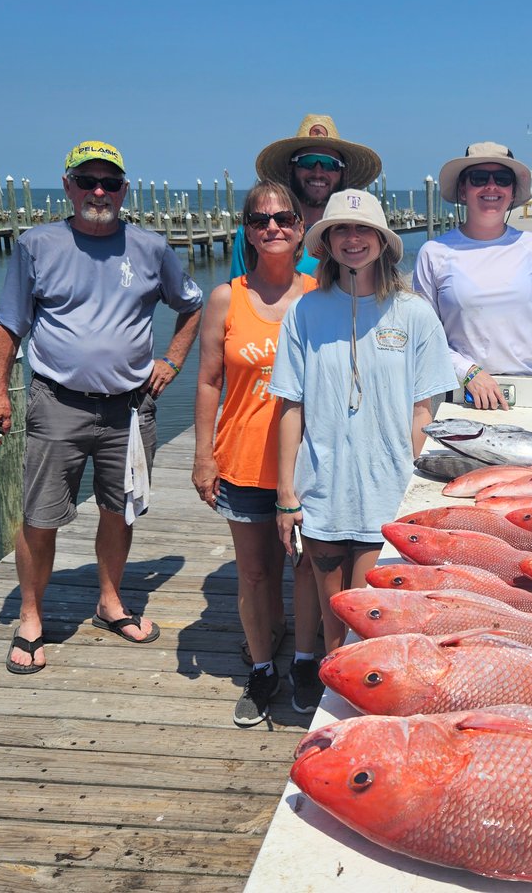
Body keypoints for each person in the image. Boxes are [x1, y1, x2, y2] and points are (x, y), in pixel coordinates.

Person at [0, 140, 204, 674]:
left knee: (119, 507)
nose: (98, 191)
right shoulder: (36, 244)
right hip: (57, 403)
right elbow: (8, 324)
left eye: (109, 182)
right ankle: (31, 618)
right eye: (88, 181)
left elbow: (192, 305)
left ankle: (110, 601)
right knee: (39, 516)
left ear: (125, 190)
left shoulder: (151, 248)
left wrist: (170, 363)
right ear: (67, 186)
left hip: (131, 408)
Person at [270, 190, 456, 656]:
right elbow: (290, 406)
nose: (353, 239)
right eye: (341, 231)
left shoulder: (414, 314)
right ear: (328, 241)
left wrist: (408, 482)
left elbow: (424, 410)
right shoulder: (305, 312)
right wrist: (286, 496)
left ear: (382, 240)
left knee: (370, 622)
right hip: (321, 494)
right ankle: (329, 707)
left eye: (363, 230)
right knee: (335, 624)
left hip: (386, 497)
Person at [191, 180, 320, 727]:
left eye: (284, 219)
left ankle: (308, 662)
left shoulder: (321, 294)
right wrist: (203, 456)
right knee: (255, 575)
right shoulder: (226, 298)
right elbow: (208, 383)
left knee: (308, 568)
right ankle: (263, 665)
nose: (273, 228)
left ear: (300, 230)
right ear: (246, 228)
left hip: (309, 461)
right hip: (243, 457)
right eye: (261, 219)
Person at [414, 142, 532, 409]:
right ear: (463, 190)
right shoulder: (433, 253)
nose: (491, 186)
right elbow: (426, 339)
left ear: (512, 192)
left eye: (502, 179)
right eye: (478, 178)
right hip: (467, 398)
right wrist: (469, 373)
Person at [227, 114, 382, 279]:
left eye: (330, 164)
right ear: (290, 169)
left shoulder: (359, 239)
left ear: (344, 173)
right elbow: (238, 298)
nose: (318, 172)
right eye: (307, 162)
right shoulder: (256, 233)